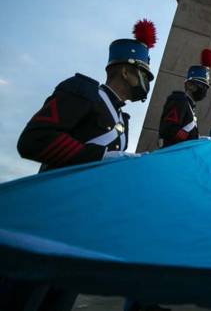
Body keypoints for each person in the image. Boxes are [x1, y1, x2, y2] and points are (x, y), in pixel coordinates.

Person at [3, 19, 157, 311]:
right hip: (49, 219)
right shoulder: (83, 91)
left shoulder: (122, 119)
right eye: (142, 74)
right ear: (125, 70)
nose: (147, 83)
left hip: (82, 226)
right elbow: (34, 139)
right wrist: (100, 158)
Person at [158, 49, 211, 148]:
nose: (204, 90)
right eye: (201, 86)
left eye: (206, 88)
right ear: (189, 85)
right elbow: (168, 131)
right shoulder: (179, 100)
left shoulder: (190, 107)